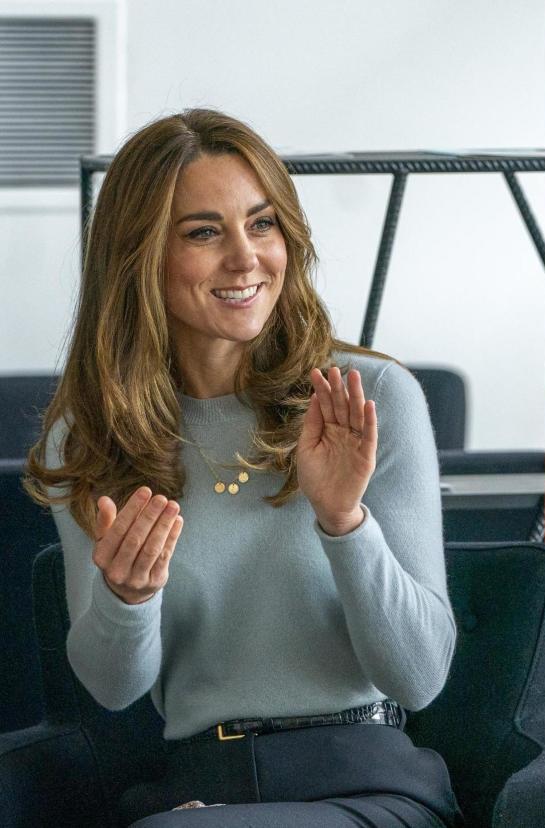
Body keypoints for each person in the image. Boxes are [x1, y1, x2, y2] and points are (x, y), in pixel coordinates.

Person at [23, 108, 463, 828]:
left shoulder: (370, 398)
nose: (246, 258)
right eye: (204, 232)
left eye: (262, 225)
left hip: (368, 788)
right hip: (201, 792)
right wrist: (127, 598)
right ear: (140, 257)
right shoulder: (93, 437)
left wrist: (344, 522)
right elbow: (112, 689)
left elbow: (419, 677)